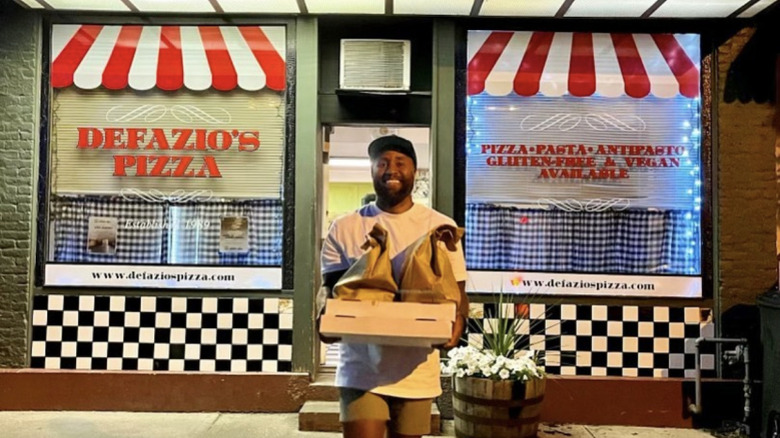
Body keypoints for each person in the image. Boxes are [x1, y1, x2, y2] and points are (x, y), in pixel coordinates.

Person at [319, 135, 468, 438]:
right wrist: (326, 320)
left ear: (415, 170)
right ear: (372, 171)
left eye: (400, 162)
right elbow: (332, 292)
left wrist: (458, 324)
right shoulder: (345, 227)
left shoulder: (440, 227)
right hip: (361, 368)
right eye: (382, 163)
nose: (391, 169)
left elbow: (459, 295)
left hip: (416, 369)